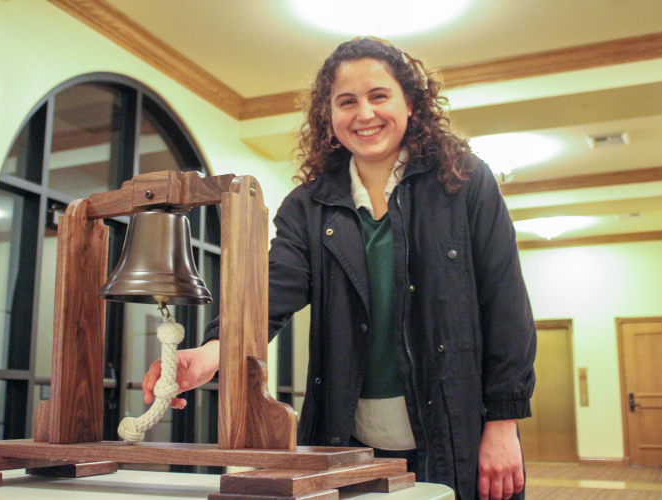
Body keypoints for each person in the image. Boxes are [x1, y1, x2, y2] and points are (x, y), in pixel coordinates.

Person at [143, 37, 536, 500]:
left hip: (457, 433)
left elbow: (505, 305)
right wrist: (211, 352)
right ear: (329, 117)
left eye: (379, 96)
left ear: (410, 103)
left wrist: (503, 426)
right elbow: (273, 289)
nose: (364, 114)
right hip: (346, 441)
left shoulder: (465, 181)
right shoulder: (307, 206)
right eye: (347, 102)